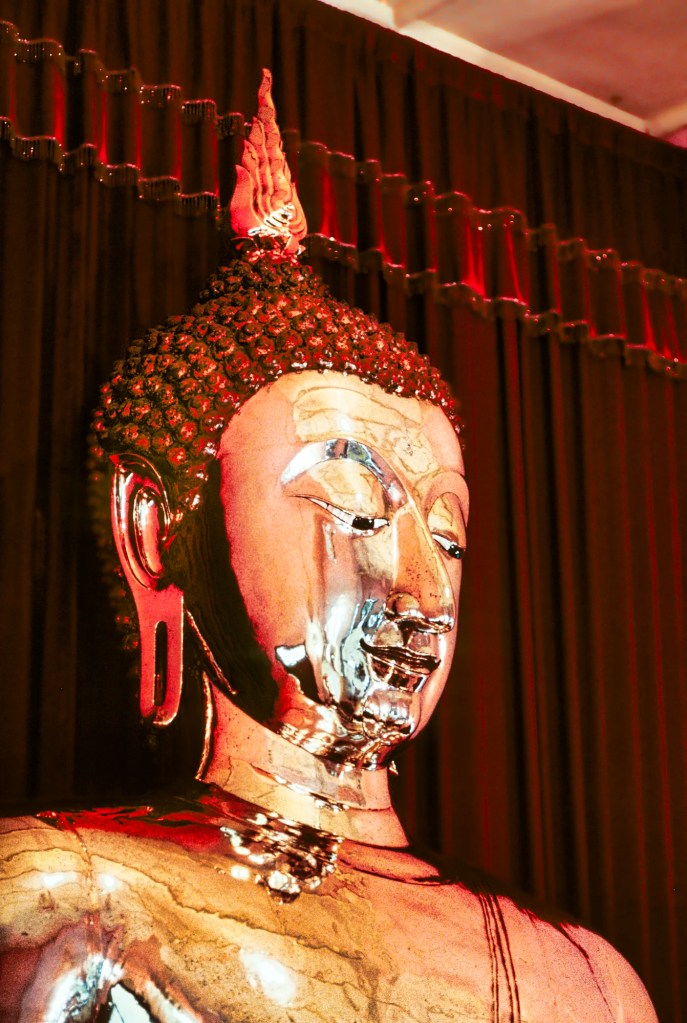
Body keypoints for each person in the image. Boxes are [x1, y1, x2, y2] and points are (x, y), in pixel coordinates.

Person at [0, 72, 658, 1023]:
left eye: (448, 535)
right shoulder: (79, 905)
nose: (422, 587)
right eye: (354, 508)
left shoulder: (584, 973)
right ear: (153, 530)